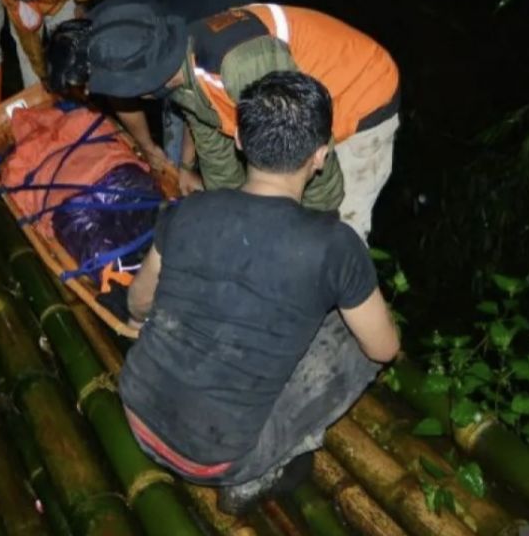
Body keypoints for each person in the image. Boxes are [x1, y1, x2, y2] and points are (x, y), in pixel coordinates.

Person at [118, 70, 401, 513]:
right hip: (219, 455)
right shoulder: (334, 245)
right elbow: (385, 350)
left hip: (136, 409)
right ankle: (263, 471)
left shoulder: (190, 210)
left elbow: (138, 301)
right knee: (358, 342)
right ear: (321, 156)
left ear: (240, 144)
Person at [85, 1, 400, 242]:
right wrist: (235, 217)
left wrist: (315, 226)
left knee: (338, 232)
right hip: (302, 107)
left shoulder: (239, 65)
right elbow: (215, 148)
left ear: (144, 81)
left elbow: (308, 148)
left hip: (360, 94)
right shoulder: (178, 71)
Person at [45, 0, 254, 173]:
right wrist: (148, 146)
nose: (87, 91)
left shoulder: (119, 47)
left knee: (197, 105)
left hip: (223, 8)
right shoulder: (92, 33)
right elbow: (118, 90)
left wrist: (168, 157)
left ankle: (178, 161)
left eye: (83, 84)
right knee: (168, 87)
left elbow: (125, 95)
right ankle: (174, 154)